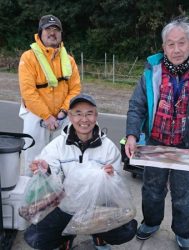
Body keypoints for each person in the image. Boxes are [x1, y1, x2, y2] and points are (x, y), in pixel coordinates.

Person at [125, 16, 189, 250]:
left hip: (186, 145)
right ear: (164, 47)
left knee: (185, 194)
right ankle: (152, 222)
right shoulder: (152, 70)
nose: (176, 49)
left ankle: (184, 232)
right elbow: (137, 106)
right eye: (171, 44)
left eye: (182, 43)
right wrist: (132, 135)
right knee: (152, 189)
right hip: (155, 141)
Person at [24, 93, 137, 250]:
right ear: (70, 116)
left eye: (89, 114)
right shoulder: (56, 145)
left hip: (97, 207)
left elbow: (117, 187)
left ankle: (98, 235)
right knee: (37, 238)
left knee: (127, 230)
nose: (84, 119)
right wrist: (46, 170)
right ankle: (66, 237)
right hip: (65, 206)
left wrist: (112, 176)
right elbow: (53, 185)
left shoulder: (108, 148)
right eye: (78, 114)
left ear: (96, 116)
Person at [18, 14, 81, 176]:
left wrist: (63, 111)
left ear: (61, 34)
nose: (52, 33)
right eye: (48, 29)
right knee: (34, 158)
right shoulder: (28, 58)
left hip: (62, 115)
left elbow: (75, 90)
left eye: (56, 29)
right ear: (40, 33)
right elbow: (28, 92)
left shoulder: (69, 60)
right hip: (36, 115)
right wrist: (46, 116)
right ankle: (32, 194)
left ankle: (56, 194)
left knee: (62, 157)